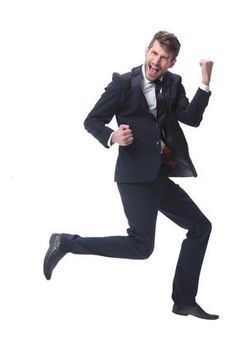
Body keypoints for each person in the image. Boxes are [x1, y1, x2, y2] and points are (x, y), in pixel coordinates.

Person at [43, 31, 218, 320]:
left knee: (201, 227)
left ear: (172, 63)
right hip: (135, 177)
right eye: (154, 54)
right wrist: (112, 136)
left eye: (164, 58)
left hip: (160, 175)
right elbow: (91, 120)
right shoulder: (123, 83)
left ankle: (184, 300)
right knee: (141, 246)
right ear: (147, 51)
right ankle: (65, 242)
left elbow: (192, 119)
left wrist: (205, 82)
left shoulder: (173, 83)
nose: (157, 61)